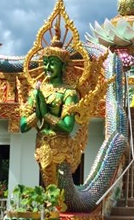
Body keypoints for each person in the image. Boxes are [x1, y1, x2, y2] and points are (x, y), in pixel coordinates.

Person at [20, 33, 79, 186]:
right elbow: (23, 126)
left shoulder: (69, 93)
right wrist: (37, 114)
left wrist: (45, 114)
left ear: (63, 66)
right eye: (45, 62)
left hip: (61, 149)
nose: (47, 67)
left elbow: (67, 127)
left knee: (60, 192)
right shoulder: (36, 91)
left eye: (52, 63)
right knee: (48, 190)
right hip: (42, 146)